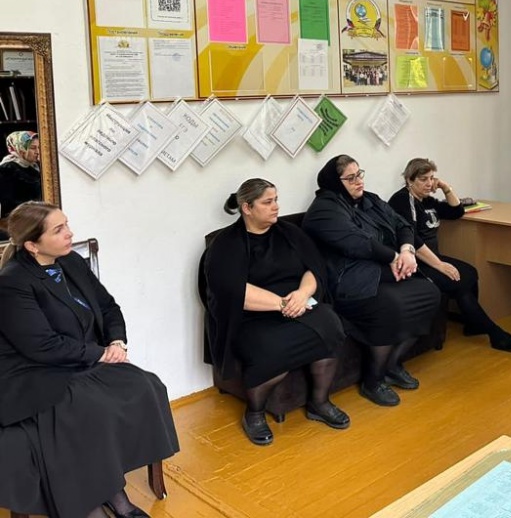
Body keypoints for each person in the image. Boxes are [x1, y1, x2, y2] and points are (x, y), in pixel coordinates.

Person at [0, 201, 179, 518]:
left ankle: (110, 489)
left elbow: (108, 306)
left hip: (81, 359)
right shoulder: (13, 282)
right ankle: (97, 502)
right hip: (34, 371)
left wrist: (117, 341)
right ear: (32, 245)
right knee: (87, 410)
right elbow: (42, 346)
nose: (70, 233)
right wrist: (102, 354)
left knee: (146, 385)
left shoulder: (70, 261)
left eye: (66, 224)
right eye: (59, 229)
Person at [200, 178, 350, 447]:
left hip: (298, 303)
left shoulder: (289, 233)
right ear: (247, 208)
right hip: (253, 316)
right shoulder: (226, 244)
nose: (276, 207)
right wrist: (282, 304)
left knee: (330, 325)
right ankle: (254, 414)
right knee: (270, 348)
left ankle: (319, 402)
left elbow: (315, 268)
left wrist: (302, 294)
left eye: (276, 200)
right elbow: (232, 291)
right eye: (267, 202)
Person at [303, 155, 442, 408]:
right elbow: (356, 242)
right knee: (390, 306)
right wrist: (394, 258)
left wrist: (407, 250)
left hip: (382, 269)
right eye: (350, 178)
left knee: (430, 292)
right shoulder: (324, 210)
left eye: (359, 174)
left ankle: (391, 364)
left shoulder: (370, 199)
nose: (359, 181)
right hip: (348, 280)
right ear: (335, 182)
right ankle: (373, 380)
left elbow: (402, 224)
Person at [388, 158, 511, 352]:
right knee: (459, 282)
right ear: (410, 180)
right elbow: (412, 241)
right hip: (416, 263)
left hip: (432, 257)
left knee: (470, 272)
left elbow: (456, 211)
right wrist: (439, 265)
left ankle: (474, 324)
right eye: (423, 179)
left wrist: (445, 187)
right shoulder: (402, 201)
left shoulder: (426, 200)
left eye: (432, 178)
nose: (429, 183)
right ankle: (494, 334)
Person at [0, 131, 42, 216]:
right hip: (20, 219)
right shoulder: (8, 168)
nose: (37, 151)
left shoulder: (34, 166)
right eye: (33, 148)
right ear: (20, 148)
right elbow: (8, 202)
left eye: (39, 147)